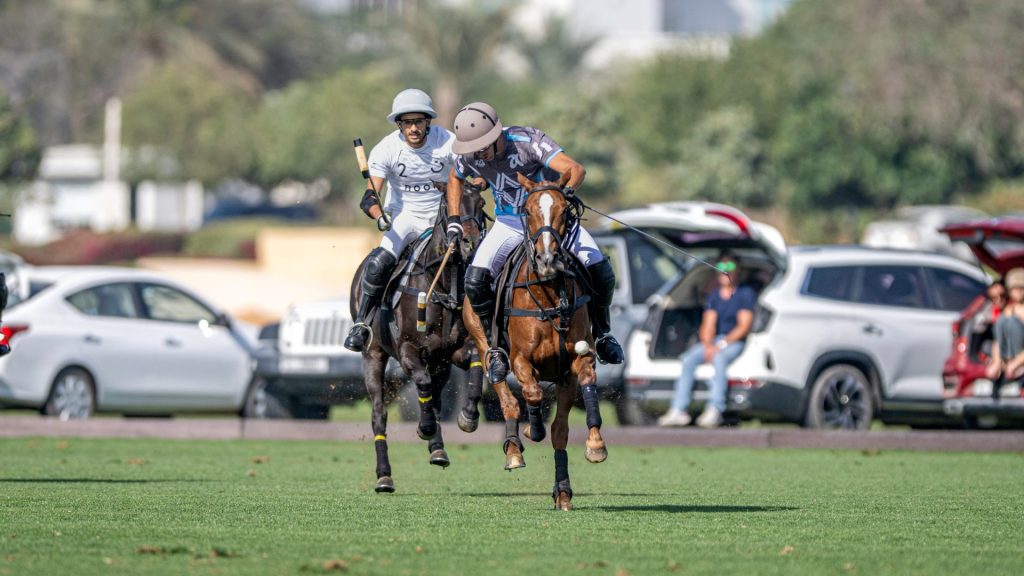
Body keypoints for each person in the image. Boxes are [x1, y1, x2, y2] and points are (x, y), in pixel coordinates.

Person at [442, 101, 624, 380]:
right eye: (474, 148)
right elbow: (454, 177)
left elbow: (576, 169)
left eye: (482, 145)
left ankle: (602, 334)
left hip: (549, 222)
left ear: (496, 134)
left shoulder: (528, 142)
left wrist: (565, 194)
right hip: (509, 224)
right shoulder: (471, 156)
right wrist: (454, 218)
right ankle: (495, 348)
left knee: (601, 269)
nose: (479, 153)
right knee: (475, 281)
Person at [343, 88, 456, 352]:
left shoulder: (448, 142)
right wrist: (379, 216)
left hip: (442, 217)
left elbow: (468, 177)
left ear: (428, 121)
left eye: (418, 121)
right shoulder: (387, 149)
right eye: (407, 122)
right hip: (407, 218)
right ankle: (362, 324)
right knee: (378, 263)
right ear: (399, 124)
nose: (413, 128)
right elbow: (369, 198)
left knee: (476, 262)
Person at [658, 253, 754, 428]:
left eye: (730, 267)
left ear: (738, 270)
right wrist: (709, 345)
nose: (725, 271)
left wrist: (720, 345)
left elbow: (744, 326)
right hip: (715, 341)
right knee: (687, 359)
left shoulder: (745, 293)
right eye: (721, 267)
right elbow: (707, 324)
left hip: (734, 342)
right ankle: (678, 410)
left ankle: (715, 409)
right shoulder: (715, 295)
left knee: (719, 359)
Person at [987, 268, 1024, 384]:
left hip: (1018, 363)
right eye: (1015, 288)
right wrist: (996, 362)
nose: (1019, 292)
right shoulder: (1006, 311)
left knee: (1011, 321)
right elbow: (997, 341)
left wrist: (1015, 364)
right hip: (1009, 363)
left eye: (1022, 288)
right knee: (1003, 320)